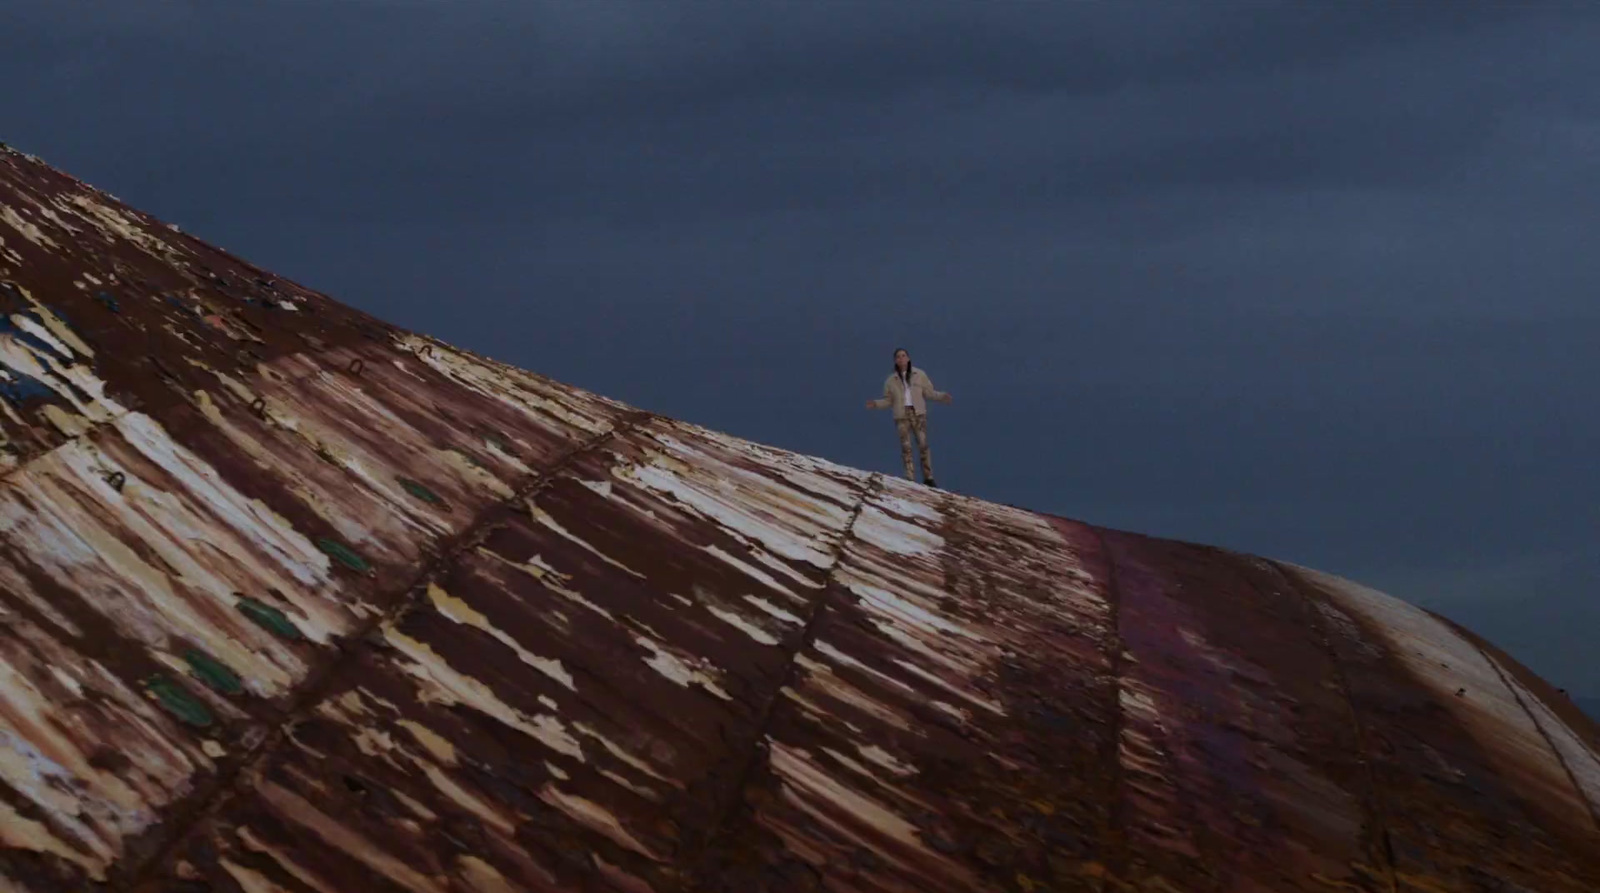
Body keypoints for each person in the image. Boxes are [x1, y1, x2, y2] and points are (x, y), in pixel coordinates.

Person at [865, 347, 952, 487]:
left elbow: (929, 393)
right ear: (895, 360)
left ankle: (928, 477)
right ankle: (910, 476)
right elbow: (888, 401)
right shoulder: (890, 381)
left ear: (908, 358)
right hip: (901, 415)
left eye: (903, 355)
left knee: (923, 444)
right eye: (898, 356)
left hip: (918, 413)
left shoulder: (920, 374)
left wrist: (942, 396)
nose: (901, 358)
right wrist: (875, 403)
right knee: (906, 447)